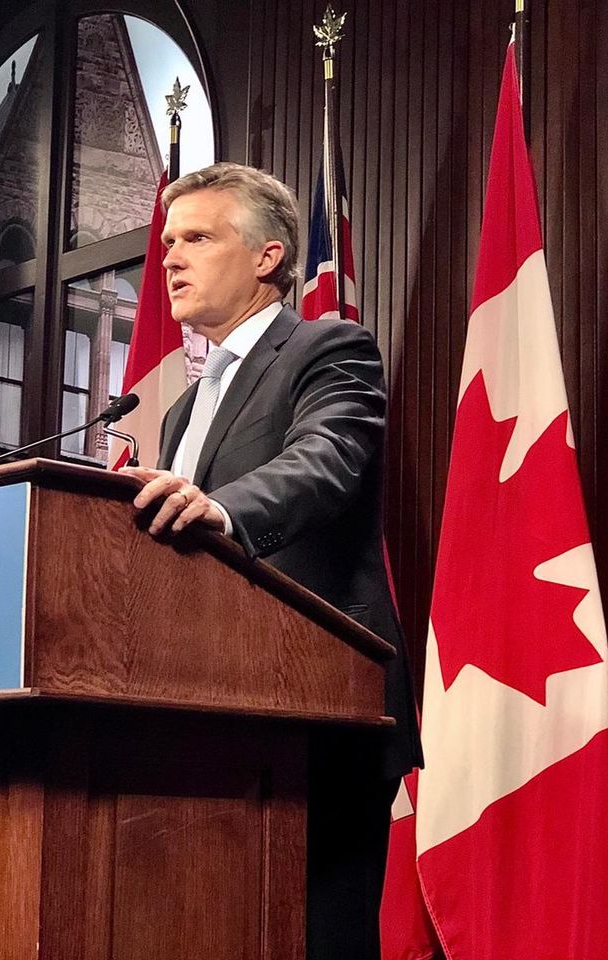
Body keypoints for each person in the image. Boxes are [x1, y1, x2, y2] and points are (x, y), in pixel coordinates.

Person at [122, 162, 422, 959]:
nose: (170, 259)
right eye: (168, 241)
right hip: (203, 712)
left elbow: (325, 461)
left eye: (196, 238)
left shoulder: (330, 349)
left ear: (267, 256)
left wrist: (224, 511)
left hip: (316, 707)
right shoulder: (183, 407)